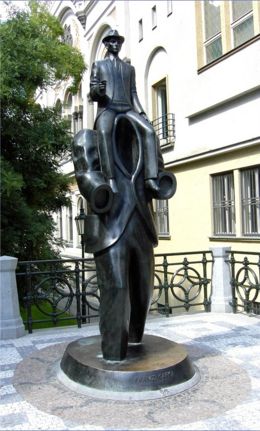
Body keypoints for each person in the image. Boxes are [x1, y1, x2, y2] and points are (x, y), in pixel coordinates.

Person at [89, 29, 159, 194]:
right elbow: (92, 93)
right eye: (112, 41)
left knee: (149, 131)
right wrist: (98, 90)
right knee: (104, 132)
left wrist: (141, 113)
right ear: (106, 44)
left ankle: (150, 178)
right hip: (107, 108)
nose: (115, 44)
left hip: (127, 109)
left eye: (118, 42)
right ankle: (110, 178)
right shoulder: (99, 65)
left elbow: (134, 93)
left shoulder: (129, 68)